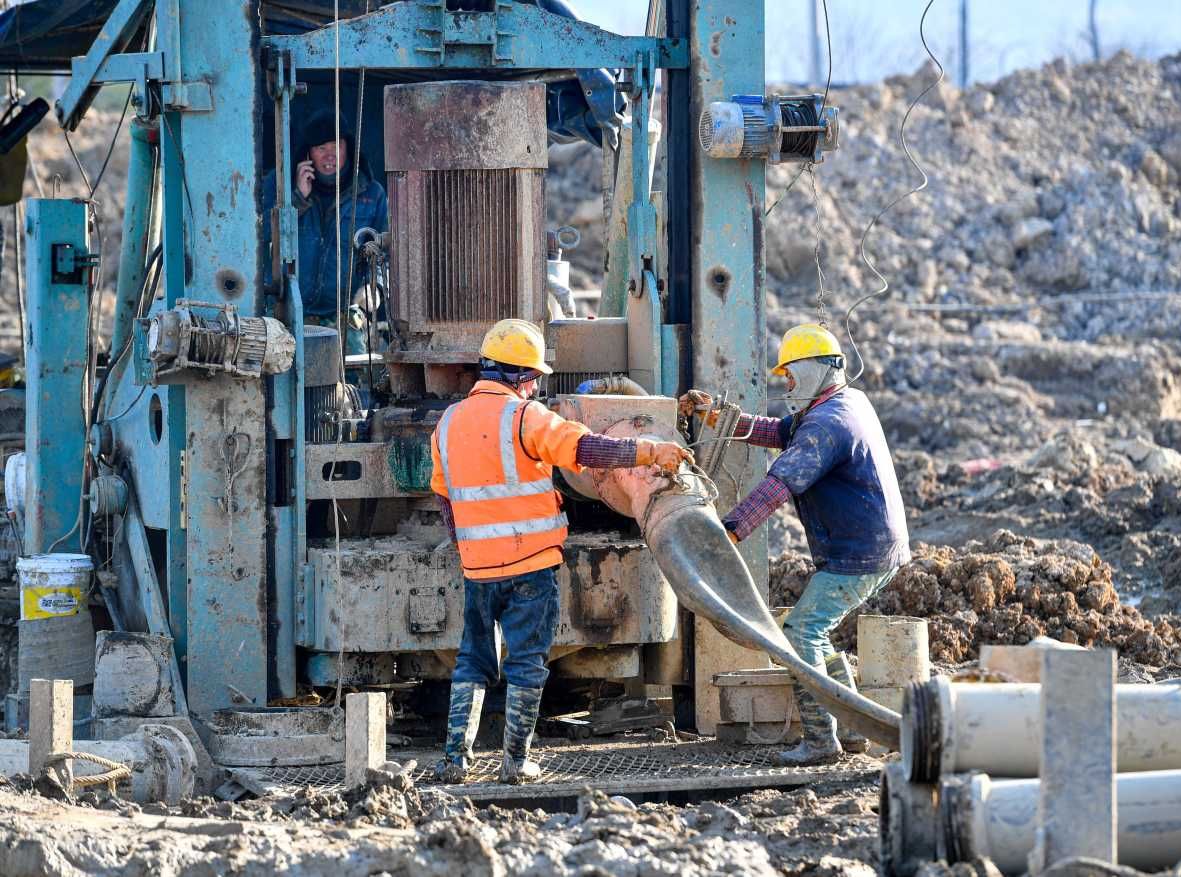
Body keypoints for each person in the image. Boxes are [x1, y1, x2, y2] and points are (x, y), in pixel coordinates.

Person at [430, 319, 694, 784]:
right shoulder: (524, 417)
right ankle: (515, 762)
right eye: (532, 377)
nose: (534, 386)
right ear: (516, 376)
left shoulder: (447, 424)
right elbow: (586, 449)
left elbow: (444, 496)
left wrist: (467, 548)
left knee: (472, 660)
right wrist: (649, 452)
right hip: (530, 566)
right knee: (527, 662)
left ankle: (455, 760)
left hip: (478, 570)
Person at [680, 323, 910, 765]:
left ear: (810, 372)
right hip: (866, 546)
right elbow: (779, 432)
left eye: (789, 376)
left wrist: (729, 531)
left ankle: (823, 741)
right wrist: (719, 416)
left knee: (799, 633)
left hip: (861, 553)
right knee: (816, 637)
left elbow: (779, 484)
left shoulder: (828, 423)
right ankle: (851, 729)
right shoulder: (839, 403)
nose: (785, 384)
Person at [262, 108, 387, 354]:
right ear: (308, 153)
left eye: (335, 146)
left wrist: (377, 287)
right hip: (286, 320)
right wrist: (297, 199)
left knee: (351, 390)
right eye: (321, 148)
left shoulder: (372, 195)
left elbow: (388, 252)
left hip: (346, 321)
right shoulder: (279, 188)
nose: (329, 155)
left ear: (348, 148)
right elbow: (256, 238)